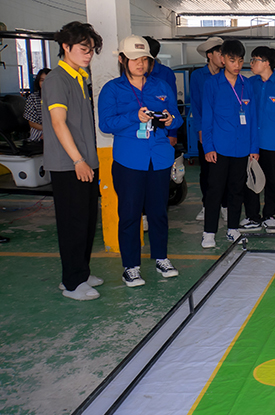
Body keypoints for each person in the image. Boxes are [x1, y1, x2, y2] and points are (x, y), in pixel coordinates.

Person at [98, 35, 182, 287]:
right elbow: (106, 124)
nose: (140, 63)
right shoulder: (112, 89)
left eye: (144, 59)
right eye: (134, 59)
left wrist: (170, 120)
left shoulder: (161, 86)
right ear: (122, 60)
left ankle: (161, 258)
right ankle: (131, 266)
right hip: (129, 161)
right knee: (130, 214)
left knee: (158, 213)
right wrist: (134, 116)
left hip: (159, 158)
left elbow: (177, 117)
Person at [42, 21, 104, 301]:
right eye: (83, 49)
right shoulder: (57, 79)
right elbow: (58, 123)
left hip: (85, 162)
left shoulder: (79, 76)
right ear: (66, 47)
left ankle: (80, 271)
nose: (88, 55)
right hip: (69, 164)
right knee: (73, 224)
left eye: (91, 50)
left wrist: (86, 160)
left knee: (87, 222)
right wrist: (78, 159)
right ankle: (72, 283)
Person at [200, 39, 259, 248]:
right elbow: (207, 118)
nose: (237, 65)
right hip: (219, 148)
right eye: (232, 60)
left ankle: (233, 228)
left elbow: (252, 118)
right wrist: (208, 147)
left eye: (240, 60)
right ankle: (209, 232)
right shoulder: (212, 85)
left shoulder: (247, 85)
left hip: (241, 148)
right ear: (223, 59)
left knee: (237, 189)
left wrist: (253, 148)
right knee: (215, 191)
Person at [241, 46, 275, 233]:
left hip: (272, 143)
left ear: (267, 63)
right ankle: (252, 217)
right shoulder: (249, 83)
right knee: (251, 180)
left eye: (255, 59)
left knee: (271, 181)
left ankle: (269, 215)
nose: (252, 63)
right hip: (252, 143)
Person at [190, 36, 225, 222]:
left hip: (225, 131)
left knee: (225, 169)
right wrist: (201, 131)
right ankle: (207, 205)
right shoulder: (197, 76)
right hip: (206, 130)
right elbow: (195, 106)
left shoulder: (227, 75)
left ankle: (225, 205)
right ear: (210, 55)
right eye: (220, 53)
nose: (223, 57)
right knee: (207, 171)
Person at [144, 36, 178, 146]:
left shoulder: (166, 73)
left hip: (162, 131)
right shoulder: (134, 75)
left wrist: (173, 134)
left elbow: (173, 106)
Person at [24, 68, 50, 142]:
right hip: (39, 134)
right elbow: (32, 123)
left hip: (57, 132)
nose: (45, 83)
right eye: (42, 80)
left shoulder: (59, 97)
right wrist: (49, 131)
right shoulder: (33, 98)